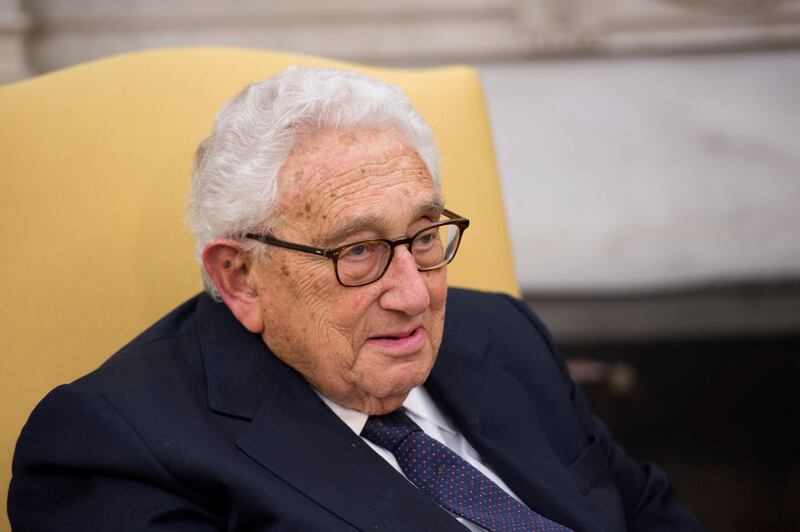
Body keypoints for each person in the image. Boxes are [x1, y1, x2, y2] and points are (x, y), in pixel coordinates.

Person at [8, 66, 705, 531]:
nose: (412, 296)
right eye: (357, 252)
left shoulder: (501, 332)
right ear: (240, 278)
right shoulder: (114, 448)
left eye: (424, 236)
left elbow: (643, 511)